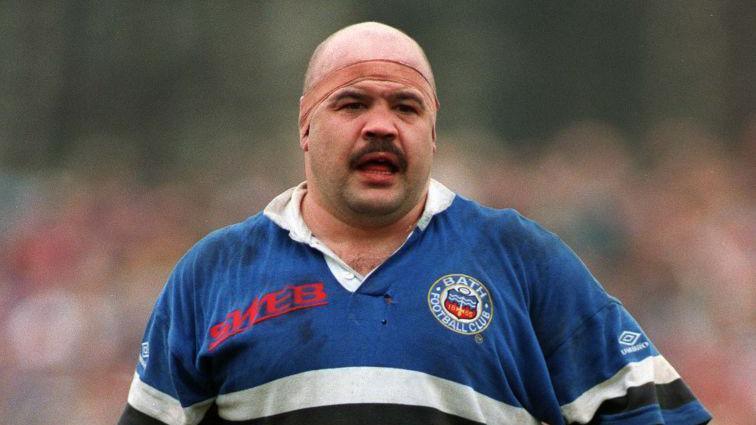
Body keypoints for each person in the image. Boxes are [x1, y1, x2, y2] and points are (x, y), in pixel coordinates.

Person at [118, 22, 711, 425]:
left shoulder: (523, 260)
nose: (381, 126)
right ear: (304, 124)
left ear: (432, 131)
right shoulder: (213, 273)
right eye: (351, 104)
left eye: (405, 107)